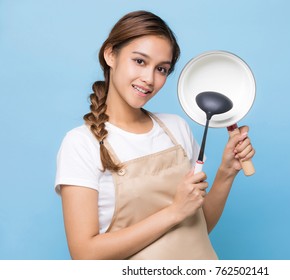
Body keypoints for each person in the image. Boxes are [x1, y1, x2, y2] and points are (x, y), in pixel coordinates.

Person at [55, 10, 255, 260]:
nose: (149, 79)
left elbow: (199, 227)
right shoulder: (81, 145)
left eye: (161, 69)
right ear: (110, 54)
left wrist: (226, 172)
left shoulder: (176, 129)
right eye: (139, 61)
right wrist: (174, 212)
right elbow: (85, 255)